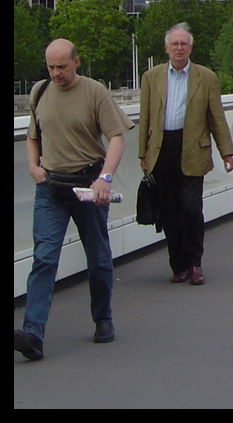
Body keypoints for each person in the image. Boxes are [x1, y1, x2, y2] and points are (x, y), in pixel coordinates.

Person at [15, 39, 134, 361]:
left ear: (76, 63)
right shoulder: (40, 91)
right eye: (51, 67)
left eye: (62, 67)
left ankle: (103, 318)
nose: (56, 74)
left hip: (87, 185)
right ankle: (33, 335)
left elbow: (117, 137)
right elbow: (32, 135)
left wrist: (104, 178)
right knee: (44, 258)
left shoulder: (95, 92)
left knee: (97, 257)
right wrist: (33, 165)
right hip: (50, 187)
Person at [138, 24, 233, 285]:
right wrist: (142, 154)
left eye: (183, 44)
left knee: (191, 209)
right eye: (174, 44)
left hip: (193, 149)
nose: (179, 48)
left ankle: (194, 264)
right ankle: (177, 264)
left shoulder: (206, 77)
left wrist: (227, 152)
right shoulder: (151, 77)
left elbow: (217, 117)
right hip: (162, 149)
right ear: (166, 48)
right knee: (169, 212)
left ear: (190, 48)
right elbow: (145, 117)